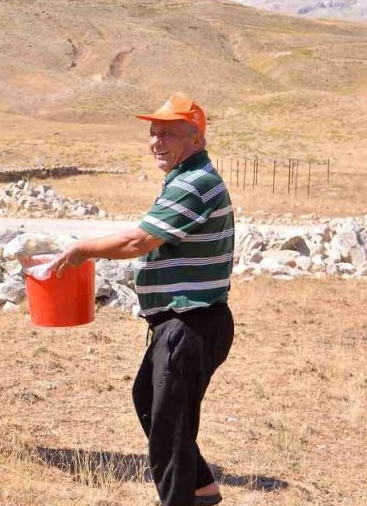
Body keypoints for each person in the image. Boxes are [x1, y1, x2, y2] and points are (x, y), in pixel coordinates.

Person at [47, 94, 234, 506]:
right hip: (181, 321)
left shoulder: (194, 183)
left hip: (191, 320)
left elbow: (139, 239)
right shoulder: (185, 177)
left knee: (169, 424)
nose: (156, 141)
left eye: (168, 133)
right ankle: (201, 488)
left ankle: (181, 499)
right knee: (149, 401)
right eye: (152, 133)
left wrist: (84, 249)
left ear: (196, 139)